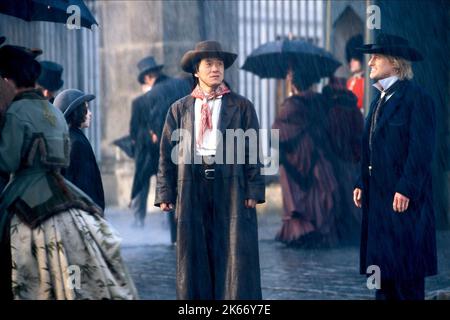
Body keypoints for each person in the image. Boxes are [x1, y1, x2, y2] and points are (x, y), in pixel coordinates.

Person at [0, 44, 137, 300]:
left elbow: (7, 161)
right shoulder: (52, 111)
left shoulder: (16, 112)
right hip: (60, 190)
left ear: (10, 80)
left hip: (26, 190)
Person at [155, 40, 265, 299]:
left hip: (231, 185)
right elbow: (165, 154)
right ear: (196, 70)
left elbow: (253, 150)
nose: (215, 69)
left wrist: (254, 189)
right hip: (192, 184)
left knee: (233, 254)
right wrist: (165, 193)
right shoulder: (179, 109)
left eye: (219, 64)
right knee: (195, 253)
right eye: (209, 64)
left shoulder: (241, 106)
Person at [353, 33, 437, 300]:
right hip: (379, 204)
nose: (370, 63)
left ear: (395, 62)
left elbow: (421, 150)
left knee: (406, 278)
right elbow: (370, 147)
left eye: (376, 57)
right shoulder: (379, 100)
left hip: (404, 204)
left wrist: (406, 187)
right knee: (384, 279)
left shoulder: (416, 99)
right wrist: (359, 181)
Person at [273, 69, 340, 248]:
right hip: (318, 152)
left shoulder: (290, 105)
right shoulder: (319, 100)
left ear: (294, 83)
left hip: (296, 156)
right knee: (318, 193)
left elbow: (277, 134)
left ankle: (303, 232)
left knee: (299, 194)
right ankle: (319, 231)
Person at [322, 77, 364, 245]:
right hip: (354, 159)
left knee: (342, 198)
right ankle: (354, 231)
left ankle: (345, 232)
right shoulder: (353, 109)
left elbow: (333, 138)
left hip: (339, 160)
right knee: (353, 199)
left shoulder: (332, 112)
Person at [129, 56, 170, 227]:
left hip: (160, 149)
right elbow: (134, 129)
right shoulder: (139, 102)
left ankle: (167, 220)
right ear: (146, 79)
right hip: (147, 151)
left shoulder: (162, 97)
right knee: (144, 185)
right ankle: (139, 219)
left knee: (166, 184)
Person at [54, 89, 105, 212]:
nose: (90, 113)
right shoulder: (76, 142)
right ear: (75, 112)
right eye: (86, 109)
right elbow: (83, 185)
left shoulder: (69, 137)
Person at [346, 34, 365, 112]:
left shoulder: (366, 82)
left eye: (354, 58)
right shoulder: (350, 81)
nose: (351, 62)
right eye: (350, 59)